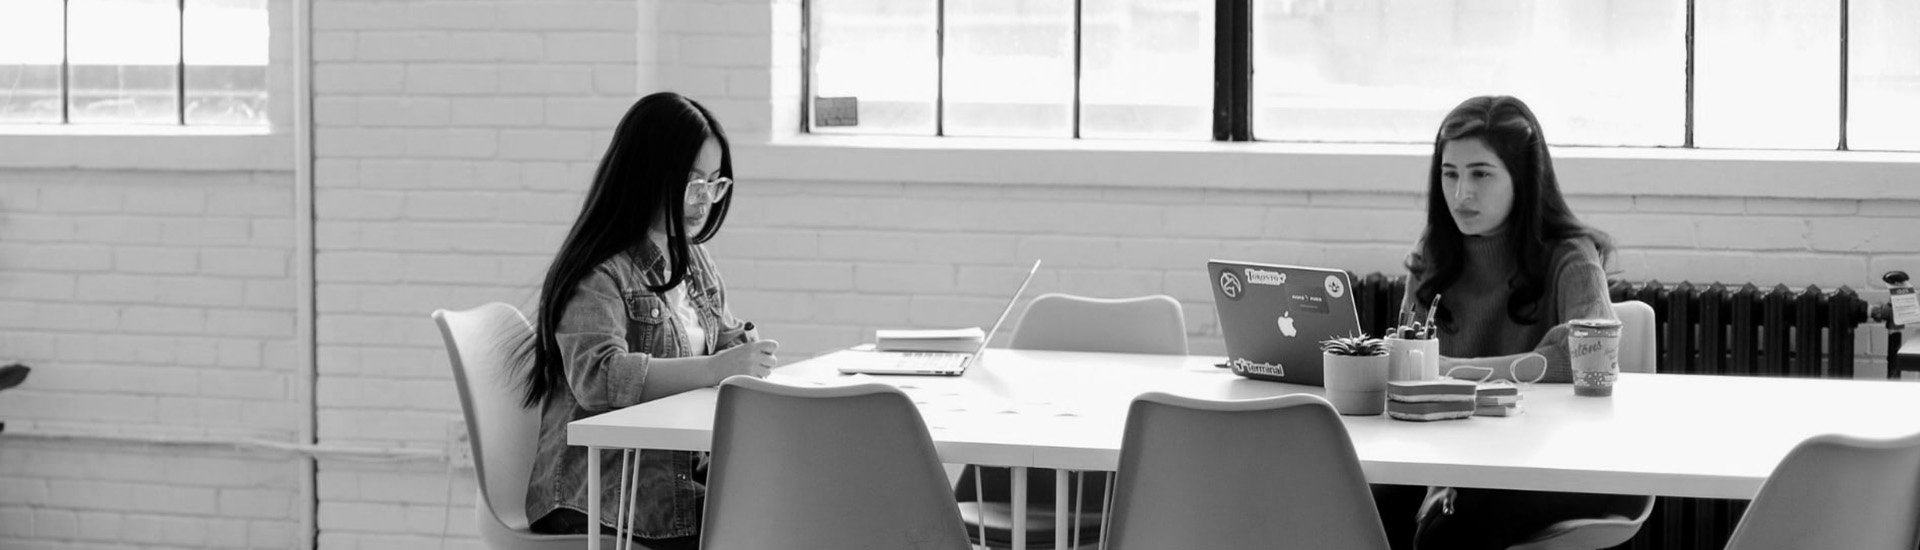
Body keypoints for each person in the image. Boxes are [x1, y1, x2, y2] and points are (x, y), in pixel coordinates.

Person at [508, 91, 779, 550]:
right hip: (601, 499)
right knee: (769, 527)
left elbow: (713, 344)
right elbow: (598, 377)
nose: (704, 200)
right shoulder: (599, 271)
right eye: (691, 183)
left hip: (670, 483)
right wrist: (717, 367)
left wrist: (738, 348)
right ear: (646, 176)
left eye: (715, 184)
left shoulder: (694, 261)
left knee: (790, 502)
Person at [1372, 95, 1642, 549]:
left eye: (1481, 174)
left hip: (1562, 464)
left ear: (1522, 177)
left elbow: (1587, 358)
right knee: (1364, 511)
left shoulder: (1570, 254)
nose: (1461, 194)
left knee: (1445, 537)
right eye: (1450, 173)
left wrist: (1449, 371)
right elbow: (1410, 363)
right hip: (1460, 457)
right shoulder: (1434, 255)